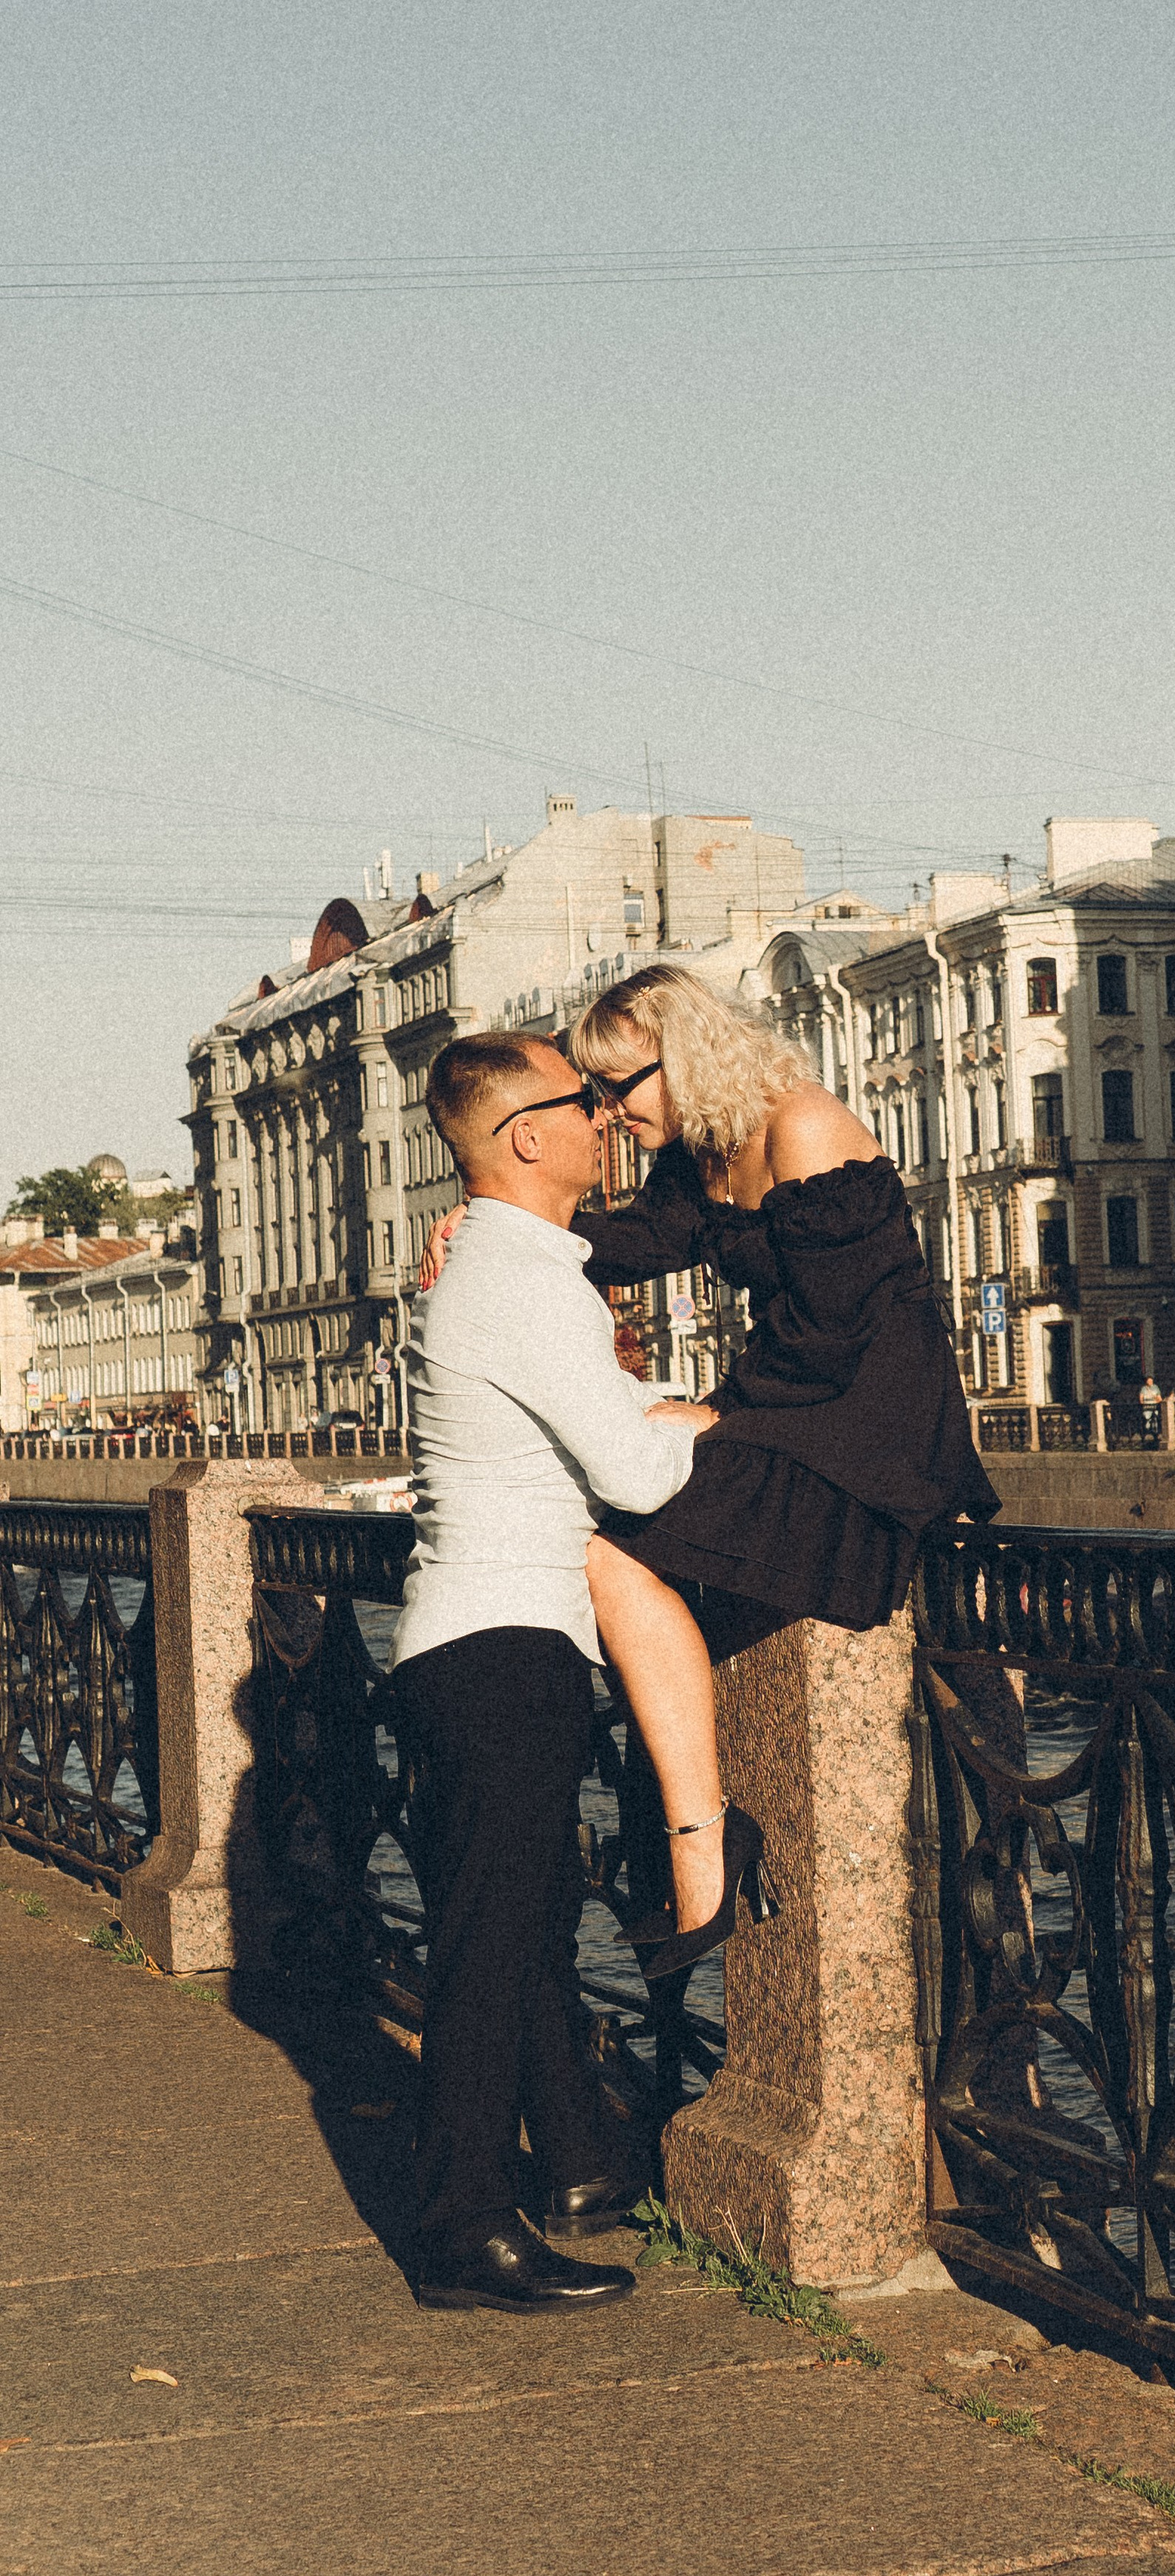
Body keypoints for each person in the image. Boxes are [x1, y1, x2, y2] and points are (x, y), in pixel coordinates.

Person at [428, 964, 999, 1969]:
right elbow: (638, 1241)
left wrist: (713, 1417)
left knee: (618, 1543)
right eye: (591, 1097)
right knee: (615, 1538)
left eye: (618, 1089)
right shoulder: (705, 1154)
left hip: (878, 1435)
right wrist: (500, 1224)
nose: (604, 1116)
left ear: (680, 1058)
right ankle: (692, 1841)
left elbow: (838, 1337)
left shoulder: (804, 1127)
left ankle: (695, 1847)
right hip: (798, 1414)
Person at [394, 1031, 716, 2316]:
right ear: (527, 1133)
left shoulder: (491, 1263)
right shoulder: (521, 1281)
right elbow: (634, 1476)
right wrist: (702, 1419)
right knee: (490, 1948)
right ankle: (462, 2224)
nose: (604, 1118)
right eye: (584, 1101)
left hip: (463, 1644)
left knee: (517, 1939)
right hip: (508, 1647)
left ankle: (578, 2162)